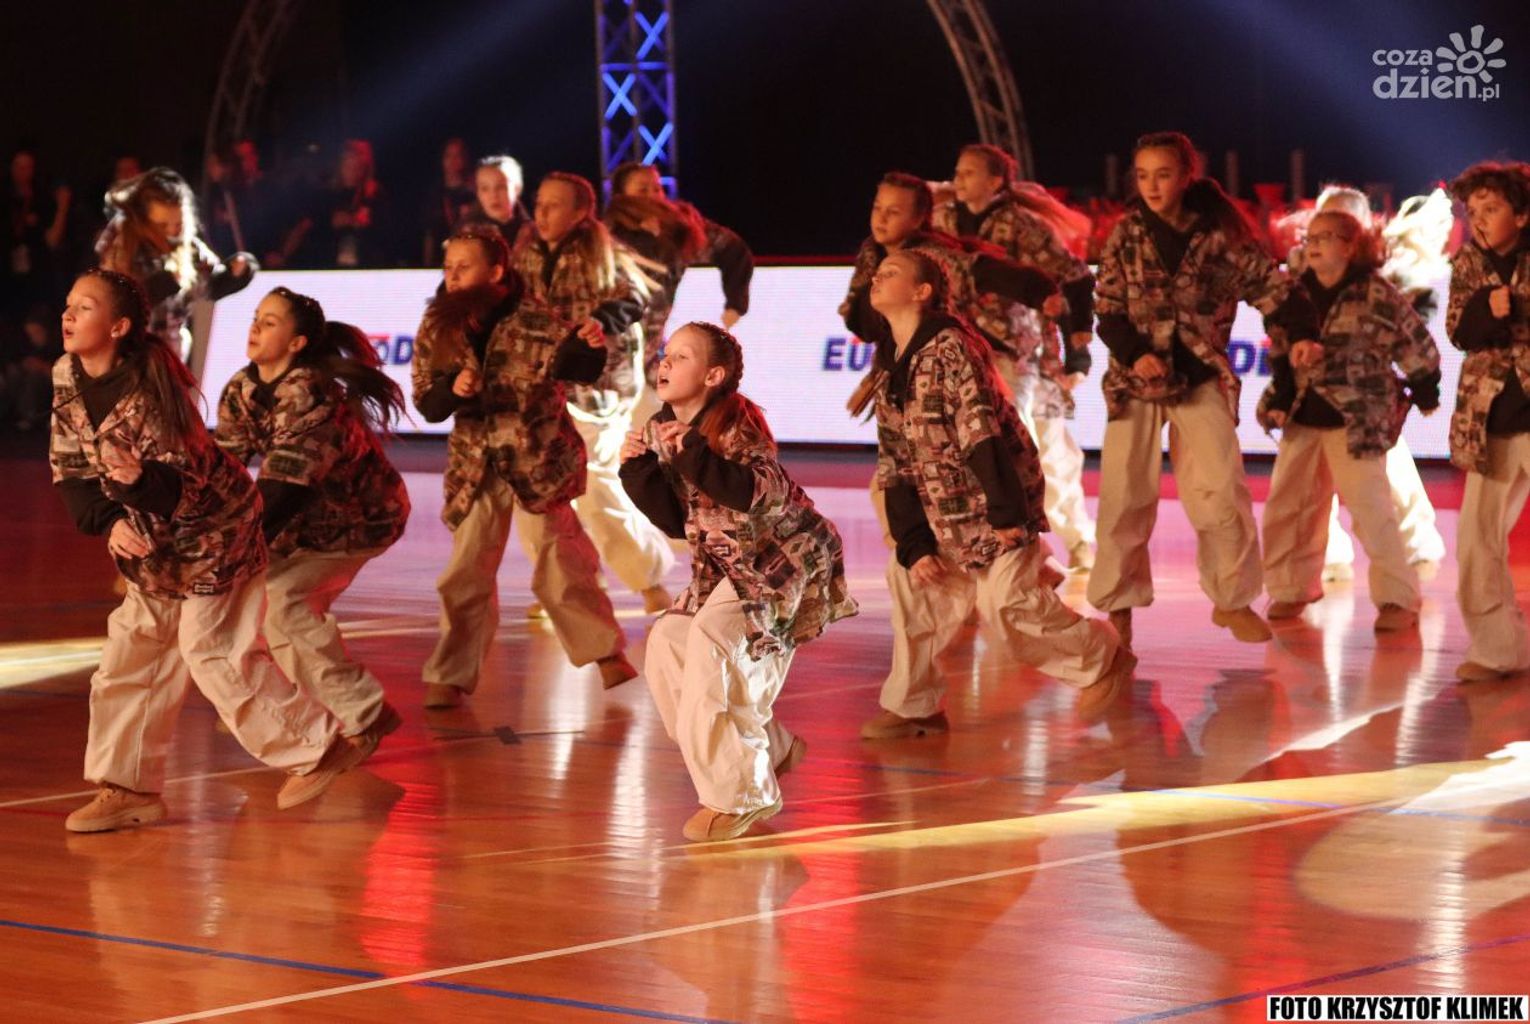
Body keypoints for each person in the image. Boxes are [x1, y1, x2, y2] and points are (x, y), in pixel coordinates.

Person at [51, 269, 384, 832]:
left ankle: (318, 747)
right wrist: (110, 520)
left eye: (84, 307)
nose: (68, 315)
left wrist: (139, 483)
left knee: (212, 650)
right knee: (131, 654)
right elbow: (69, 464)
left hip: (215, 531)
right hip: (151, 540)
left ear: (119, 326)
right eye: (68, 304)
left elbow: (188, 485)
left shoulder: (154, 392)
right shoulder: (68, 373)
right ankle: (128, 789)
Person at [859, 249, 1133, 739]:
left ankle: (1102, 658)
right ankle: (914, 704)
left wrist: (1007, 515)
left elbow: (981, 432)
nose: (877, 278)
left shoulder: (951, 346)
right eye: (877, 273)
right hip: (943, 514)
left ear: (922, 292)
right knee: (912, 586)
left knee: (1007, 606)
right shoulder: (891, 362)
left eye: (891, 273)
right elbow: (895, 461)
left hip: (992, 505)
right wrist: (914, 542)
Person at [620, 321, 856, 841]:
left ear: (714, 376)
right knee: (669, 641)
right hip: (727, 564)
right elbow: (677, 520)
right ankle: (770, 747)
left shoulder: (737, 424)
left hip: (781, 559)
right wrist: (637, 470)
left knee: (712, 643)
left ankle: (743, 795)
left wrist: (693, 454)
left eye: (683, 356)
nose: (666, 362)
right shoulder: (662, 426)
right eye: (667, 353)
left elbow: (759, 495)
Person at [1088, 131, 1319, 650]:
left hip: (1201, 376)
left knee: (1222, 489)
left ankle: (1232, 598)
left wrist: (1303, 333)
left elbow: (1274, 288)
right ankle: (1118, 606)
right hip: (1135, 382)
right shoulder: (1126, 233)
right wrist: (1135, 353)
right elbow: (1108, 309)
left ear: (1186, 175)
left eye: (1163, 174)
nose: (1152, 185)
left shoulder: (1220, 235)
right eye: (1142, 176)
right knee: (1125, 496)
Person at [411, 226, 637, 707]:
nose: (452, 277)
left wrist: (589, 345)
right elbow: (427, 402)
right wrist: (453, 389)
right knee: (466, 570)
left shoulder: (535, 318)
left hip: (538, 459)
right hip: (476, 464)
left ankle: (605, 653)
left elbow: (576, 367)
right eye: (448, 268)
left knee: (561, 560)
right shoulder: (438, 325)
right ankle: (449, 674)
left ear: (496, 271)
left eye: (464, 267)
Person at [215, 286, 411, 741]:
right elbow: (225, 469)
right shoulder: (242, 388)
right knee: (256, 602)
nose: (255, 328)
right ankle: (299, 705)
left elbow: (283, 492)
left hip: (358, 521)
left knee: (285, 599)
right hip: (305, 525)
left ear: (297, 342)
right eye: (255, 318)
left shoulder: (311, 395)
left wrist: (228, 549)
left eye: (269, 323)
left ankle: (362, 711)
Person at [1257, 209, 1441, 632]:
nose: (1315, 245)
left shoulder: (1375, 293)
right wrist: (1280, 397)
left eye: (1326, 236)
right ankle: (1291, 588)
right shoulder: (1296, 291)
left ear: (1350, 246)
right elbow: (1279, 349)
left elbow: (1417, 345)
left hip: (1357, 419)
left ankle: (1398, 598)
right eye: (1310, 237)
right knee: (1290, 507)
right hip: (1305, 412)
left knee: (1371, 510)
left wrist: (1424, 390)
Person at [511, 171, 674, 615]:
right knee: (535, 493)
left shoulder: (602, 251)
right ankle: (563, 585)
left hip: (598, 391)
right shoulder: (526, 254)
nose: (542, 212)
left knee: (598, 488)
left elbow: (634, 298)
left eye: (554, 205)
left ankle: (648, 578)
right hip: (537, 391)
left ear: (580, 211)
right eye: (539, 203)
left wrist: (601, 321)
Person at [933, 146, 1099, 571]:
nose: (959, 179)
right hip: (962, 354)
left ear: (995, 181)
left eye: (970, 172)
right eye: (957, 171)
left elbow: (1073, 277)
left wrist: (1078, 353)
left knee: (1047, 453)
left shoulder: (1022, 225)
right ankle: (1002, 547)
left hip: (1022, 356)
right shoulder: (942, 222)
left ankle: (1077, 539)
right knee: (983, 449)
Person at [1445, 160, 1530, 681]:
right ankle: (1497, 649)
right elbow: (1458, 330)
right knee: (1477, 540)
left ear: (1520, 215)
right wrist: (1486, 307)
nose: (1478, 219)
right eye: (1472, 210)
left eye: (1491, 208)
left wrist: (1515, 305)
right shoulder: (1468, 263)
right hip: (1490, 419)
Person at [96, 167, 256, 362]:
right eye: (162, 225)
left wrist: (237, 272)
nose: (172, 232)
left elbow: (208, 287)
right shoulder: (124, 243)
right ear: (143, 219)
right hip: (130, 356)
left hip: (171, 356)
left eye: (179, 224)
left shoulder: (188, 247)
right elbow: (118, 301)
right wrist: (168, 281)